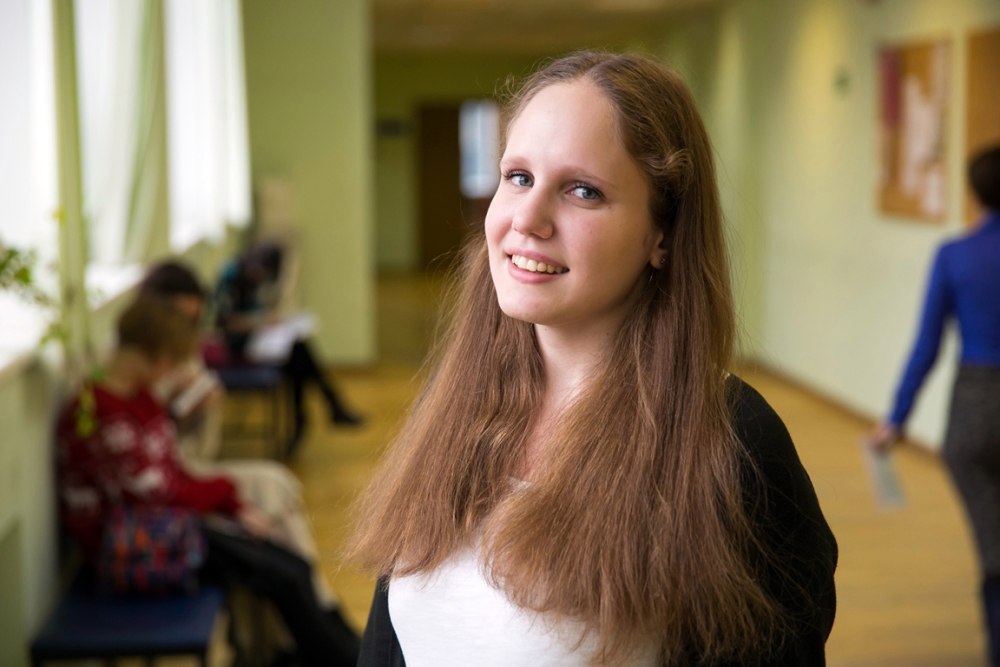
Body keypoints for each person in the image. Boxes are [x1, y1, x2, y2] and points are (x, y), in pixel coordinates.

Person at [349, 51, 837, 666]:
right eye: (518, 177)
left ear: (662, 234)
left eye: (583, 191)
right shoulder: (454, 402)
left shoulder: (732, 443)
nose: (527, 219)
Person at [56, 294, 359, 667]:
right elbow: (158, 492)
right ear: (158, 357)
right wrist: (228, 496)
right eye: (172, 363)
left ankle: (331, 653)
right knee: (283, 577)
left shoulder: (136, 398)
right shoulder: (98, 413)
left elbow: (168, 475)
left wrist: (232, 504)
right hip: (134, 547)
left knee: (290, 566)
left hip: (163, 527)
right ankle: (345, 659)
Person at [140, 259, 358, 633]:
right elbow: (159, 457)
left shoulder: (184, 349)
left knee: (278, 490)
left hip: (188, 471)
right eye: (179, 318)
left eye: (191, 320)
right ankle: (317, 617)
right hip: (177, 484)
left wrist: (195, 406)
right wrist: (182, 411)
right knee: (273, 505)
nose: (184, 328)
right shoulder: (143, 362)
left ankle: (310, 616)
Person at [869, 145, 1000, 665]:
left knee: (994, 547)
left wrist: (896, 419)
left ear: (973, 193)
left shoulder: (955, 255)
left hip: (975, 413)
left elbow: (926, 347)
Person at [214, 240, 364, 454]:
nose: (262, 280)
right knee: (298, 355)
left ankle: (309, 416)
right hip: (236, 347)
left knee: (297, 351)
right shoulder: (229, 275)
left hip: (257, 338)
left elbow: (257, 307)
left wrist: (271, 319)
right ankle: (326, 407)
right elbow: (224, 322)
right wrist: (262, 322)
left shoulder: (253, 275)